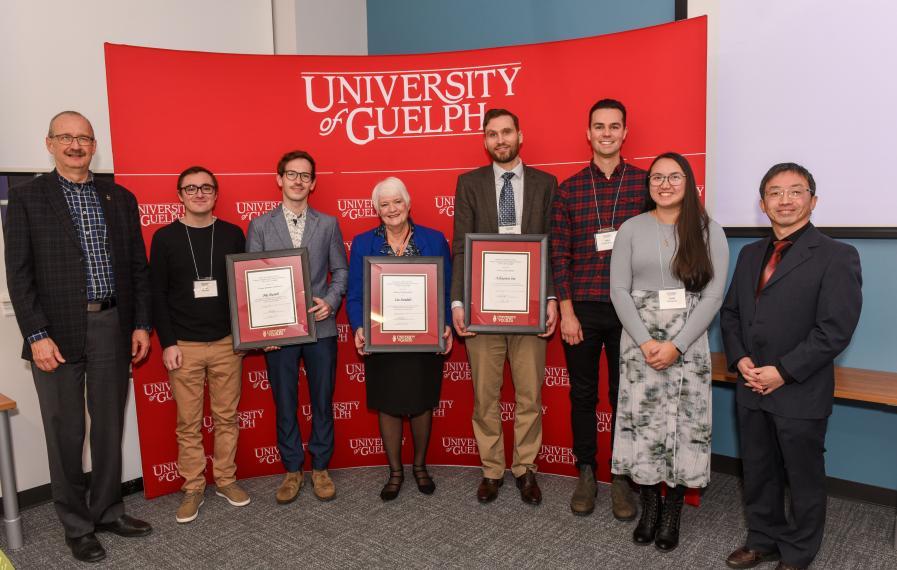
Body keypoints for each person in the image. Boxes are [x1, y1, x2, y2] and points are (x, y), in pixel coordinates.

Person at [4, 111, 153, 563]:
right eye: (65, 137)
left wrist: (141, 323)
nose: (75, 145)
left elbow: (136, 269)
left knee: (108, 426)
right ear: (49, 143)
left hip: (112, 324)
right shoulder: (27, 199)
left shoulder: (119, 198)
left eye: (83, 138)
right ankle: (76, 524)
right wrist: (36, 334)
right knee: (65, 433)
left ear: (94, 145)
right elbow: (18, 273)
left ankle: (108, 509)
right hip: (55, 333)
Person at [720, 163, 862, 570]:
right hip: (750, 384)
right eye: (775, 193)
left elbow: (835, 330)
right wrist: (740, 359)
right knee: (759, 469)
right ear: (762, 204)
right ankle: (762, 538)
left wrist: (782, 371)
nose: (785, 200)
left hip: (799, 387)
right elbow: (731, 315)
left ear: (812, 201)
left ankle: (799, 551)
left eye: (795, 191)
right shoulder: (749, 255)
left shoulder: (837, 255)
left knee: (803, 476)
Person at [609, 152, 729, 551]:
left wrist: (676, 345)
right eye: (656, 177)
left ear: (688, 182)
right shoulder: (630, 228)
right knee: (643, 424)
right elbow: (618, 290)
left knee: (682, 424)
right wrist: (646, 342)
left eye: (674, 176)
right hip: (639, 343)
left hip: (688, 344)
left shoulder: (709, 230)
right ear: (649, 185)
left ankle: (672, 511)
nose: (664, 184)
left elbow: (713, 296)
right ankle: (649, 507)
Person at [451, 108, 558, 505]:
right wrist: (459, 302)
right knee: (485, 396)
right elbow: (461, 245)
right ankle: (492, 469)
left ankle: (526, 468)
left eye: (506, 132)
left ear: (519, 135)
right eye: (492, 134)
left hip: (530, 308)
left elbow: (552, 247)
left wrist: (550, 299)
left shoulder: (546, 183)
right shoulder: (470, 184)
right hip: (483, 309)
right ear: (484, 141)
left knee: (529, 395)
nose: (500, 140)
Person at [550, 98, 647, 519]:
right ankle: (586, 472)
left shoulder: (646, 185)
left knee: (625, 395)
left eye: (614, 127)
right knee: (584, 395)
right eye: (599, 127)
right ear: (588, 134)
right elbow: (560, 256)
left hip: (631, 312)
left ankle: (621, 477)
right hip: (584, 310)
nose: (606, 133)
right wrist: (567, 312)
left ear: (625, 133)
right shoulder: (568, 189)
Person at [247, 150, 348, 504]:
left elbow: (342, 271)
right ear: (279, 179)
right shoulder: (259, 226)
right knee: (285, 401)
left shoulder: (329, 223)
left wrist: (331, 301)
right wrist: (263, 331)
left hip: (320, 327)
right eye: (292, 174)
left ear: (313, 183)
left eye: (305, 176)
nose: (298, 181)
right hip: (279, 333)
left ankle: (320, 467)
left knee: (322, 400)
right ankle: (292, 469)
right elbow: (252, 280)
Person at [149, 166, 248, 523]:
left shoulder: (234, 234)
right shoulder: (164, 238)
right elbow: (157, 294)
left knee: (226, 418)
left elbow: (245, 288)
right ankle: (193, 486)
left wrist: (245, 336)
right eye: (191, 188)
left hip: (226, 344)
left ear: (216, 194)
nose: (199, 193)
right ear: (180, 195)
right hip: (184, 346)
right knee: (188, 423)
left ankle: (225, 479)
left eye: (206, 187)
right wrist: (168, 342)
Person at [346, 177, 453, 500]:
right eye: (384, 204)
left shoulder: (435, 241)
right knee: (388, 406)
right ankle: (395, 471)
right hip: (383, 340)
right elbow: (354, 296)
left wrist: (446, 323)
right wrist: (359, 327)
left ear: (408, 203)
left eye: (397, 202)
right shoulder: (363, 243)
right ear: (376, 209)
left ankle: (420, 466)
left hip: (424, 339)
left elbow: (446, 290)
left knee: (422, 403)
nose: (392, 209)